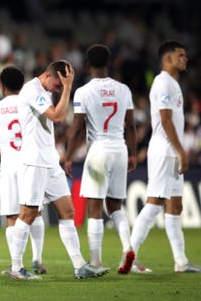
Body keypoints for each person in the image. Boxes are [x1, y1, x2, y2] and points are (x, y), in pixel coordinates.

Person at [7, 60, 109, 279]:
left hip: (50, 161)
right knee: (28, 213)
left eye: (62, 87)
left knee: (67, 211)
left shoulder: (46, 90)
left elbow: (57, 114)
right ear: (48, 75)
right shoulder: (32, 90)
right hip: (33, 161)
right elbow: (59, 116)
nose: (60, 89)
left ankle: (79, 265)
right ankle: (15, 267)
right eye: (58, 84)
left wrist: (64, 88)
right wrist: (69, 88)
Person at [129, 40, 201, 273]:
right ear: (168, 59)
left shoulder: (173, 84)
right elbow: (165, 120)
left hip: (171, 151)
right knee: (155, 202)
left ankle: (181, 261)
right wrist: (181, 151)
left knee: (175, 205)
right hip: (164, 150)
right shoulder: (163, 83)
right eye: (181, 55)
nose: (186, 59)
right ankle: (129, 257)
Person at [64, 44, 137, 274]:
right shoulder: (123, 89)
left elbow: (76, 129)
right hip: (120, 150)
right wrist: (133, 153)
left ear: (87, 64)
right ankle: (128, 247)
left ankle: (96, 262)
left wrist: (67, 157)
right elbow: (132, 127)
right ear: (110, 62)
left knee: (94, 209)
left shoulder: (84, 92)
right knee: (115, 206)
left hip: (98, 152)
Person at [0, 66, 47, 278]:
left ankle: (16, 265)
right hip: (30, 162)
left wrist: (0, 149)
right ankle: (37, 257)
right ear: (23, 84)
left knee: (12, 216)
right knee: (34, 211)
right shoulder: (29, 104)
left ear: (2, 86)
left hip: (9, 165)